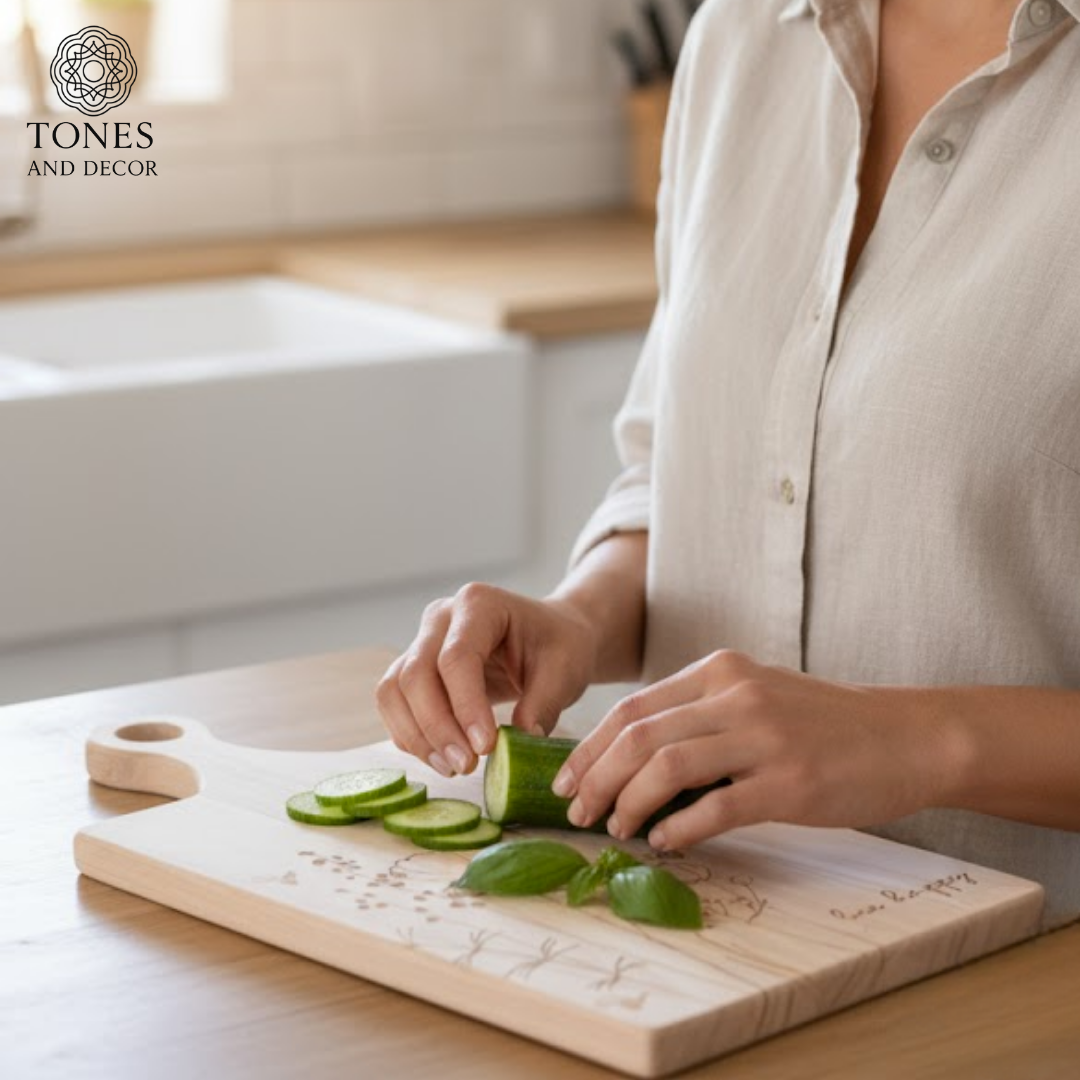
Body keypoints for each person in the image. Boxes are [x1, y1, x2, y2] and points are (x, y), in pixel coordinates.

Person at [377, 0, 1080, 930]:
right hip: (704, 943)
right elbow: (677, 472)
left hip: (1018, 983)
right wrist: (577, 618)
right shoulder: (743, 33)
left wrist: (914, 741)